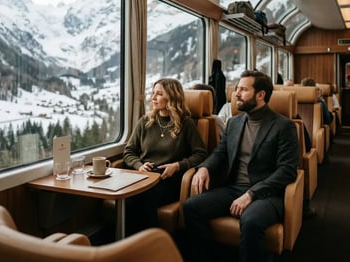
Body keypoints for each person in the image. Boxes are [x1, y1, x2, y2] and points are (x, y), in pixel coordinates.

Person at [183, 70, 299, 262]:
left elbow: (287, 170)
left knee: (251, 220)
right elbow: (220, 153)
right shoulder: (234, 122)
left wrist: (252, 194)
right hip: (232, 188)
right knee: (191, 206)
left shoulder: (283, 126)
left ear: (260, 95)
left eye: (243, 90)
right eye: (237, 88)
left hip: (266, 193)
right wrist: (204, 168)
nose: (236, 94)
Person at [123, 78, 208, 234]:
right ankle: (130, 246)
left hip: (169, 179)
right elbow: (129, 151)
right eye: (153, 93)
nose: (153, 98)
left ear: (172, 97)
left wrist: (177, 166)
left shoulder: (186, 124)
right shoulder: (144, 122)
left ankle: (153, 246)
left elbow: (201, 154)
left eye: (159, 94)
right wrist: (139, 165)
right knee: (128, 201)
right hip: (145, 176)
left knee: (146, 200)